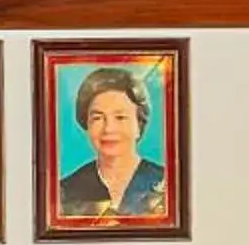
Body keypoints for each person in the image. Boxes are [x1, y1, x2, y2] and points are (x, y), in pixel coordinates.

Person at [55, 65, 169, 220]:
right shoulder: (64, 191)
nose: (108, 129)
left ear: (139, 124)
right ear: (86, 125)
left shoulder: (168, 183)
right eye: (97, 118)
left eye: (120, 117)